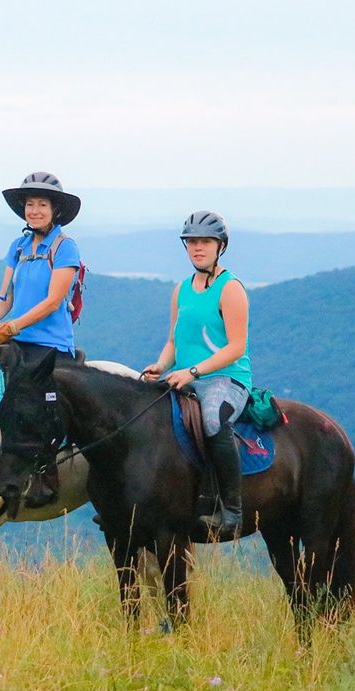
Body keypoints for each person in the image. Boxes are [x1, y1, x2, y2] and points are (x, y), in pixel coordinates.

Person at [0, 172, 82, 490]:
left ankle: (45, 474)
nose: (34, 210)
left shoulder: (64, 247)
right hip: (13, 339)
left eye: (41, 204)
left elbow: (53, 301)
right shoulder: (18, 247)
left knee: (36, 408)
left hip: (49, 345)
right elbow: (5, 298)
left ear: (55, 210)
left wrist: (11, 327)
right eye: (30, 204)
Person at [141, 211, 252, 536]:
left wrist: (193, 371)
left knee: (214, 420)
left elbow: (236, 347)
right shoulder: (181, 290)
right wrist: (161, 366)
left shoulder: (231, 289)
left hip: (226, 378)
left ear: (220, 246)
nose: (197, 248)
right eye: (191, 242)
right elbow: (174, 340)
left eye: (205, 242)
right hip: (184, 376)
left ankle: (232, 510)